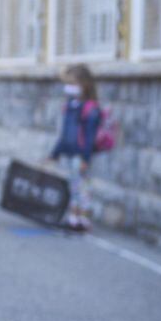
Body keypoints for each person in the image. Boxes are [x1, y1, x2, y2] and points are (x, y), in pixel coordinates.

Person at [49, 64, 102, 232]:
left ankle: (80, 219)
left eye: (73, 83)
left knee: (80, 188)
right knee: (75, 186)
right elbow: (65, 133)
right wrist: (55, 153)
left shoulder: (90, 109)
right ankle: (74, 218)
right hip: (71, 154)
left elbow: (89, 137)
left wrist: (85, 158)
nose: (69, 87)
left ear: (84, 84)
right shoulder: (71, 106)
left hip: (80, 156)